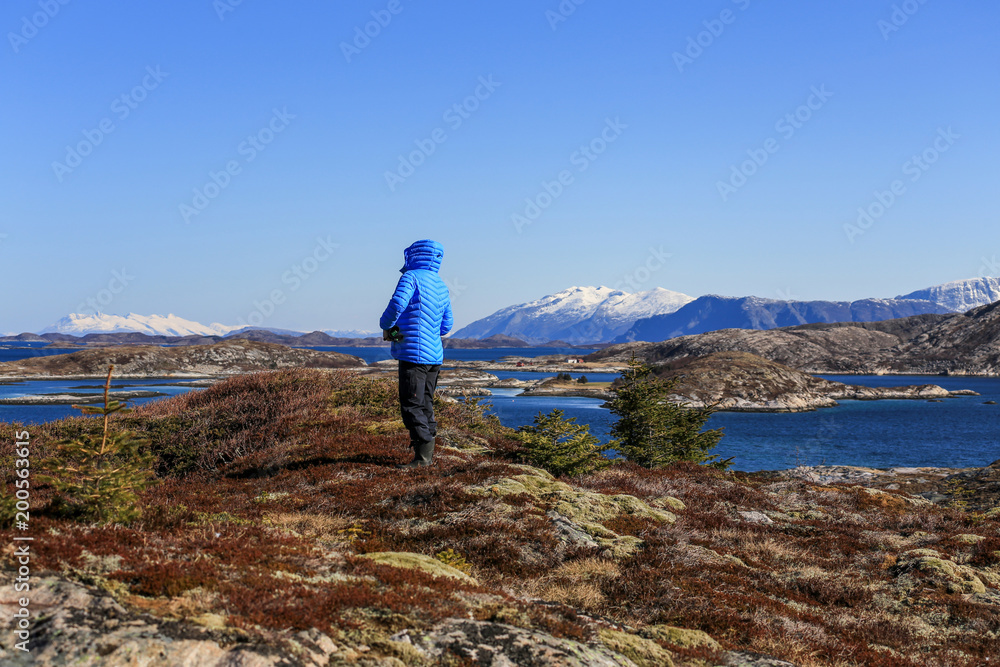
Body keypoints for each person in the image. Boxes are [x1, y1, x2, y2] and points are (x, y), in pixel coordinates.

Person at [380, 239, 453, 468]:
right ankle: (428, 454)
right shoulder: (441, 284)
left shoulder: (410, 277)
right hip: (434, 356)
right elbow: (446, 326)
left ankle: (422, 459)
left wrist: (385, 324)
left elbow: (397, 303)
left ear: (413, 255)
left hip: (413, 355)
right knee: (426, 403)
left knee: (411, 404)